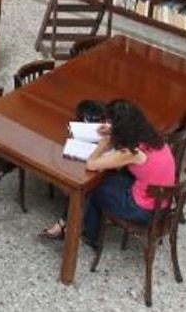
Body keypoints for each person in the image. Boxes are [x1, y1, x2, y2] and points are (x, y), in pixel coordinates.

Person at [41, 99, 176, 247]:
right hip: (159, 199)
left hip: (144, 209)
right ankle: (66, 223)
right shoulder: (151, 137)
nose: (107, 124)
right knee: (102, 181)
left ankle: (89, 235)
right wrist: (112, 132)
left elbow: (91, 164)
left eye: (111, 122)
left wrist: (102, 145)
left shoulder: (132, 152)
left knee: (91, 189)